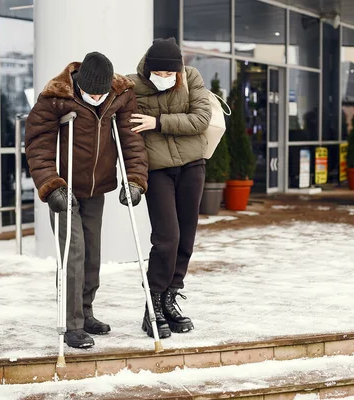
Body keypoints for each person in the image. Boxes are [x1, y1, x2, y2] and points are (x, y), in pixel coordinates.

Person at [25, 52, 148, 349]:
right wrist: (51, 186)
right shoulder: (56, 96)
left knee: (92, 253)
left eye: (100, 92)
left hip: (96, 189)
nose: (95, 97)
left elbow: (131, 140)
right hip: (64, 190)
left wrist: (134, 180)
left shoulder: (119, 95)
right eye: (90, 92)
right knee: (74, 252)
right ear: (80, 85)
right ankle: (72, 323)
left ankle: (87, 312)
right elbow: (38, 144)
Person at [128, 38, 211, 339]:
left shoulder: (191, 78)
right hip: (158, 170)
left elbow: (201, 119)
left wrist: (158, 122)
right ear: (148, 70)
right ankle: (152, 304)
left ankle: (169, 297)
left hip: (192, 166)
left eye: (169, 75)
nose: (164, 79)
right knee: (167, 238)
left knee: (186, 236)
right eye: (158, 74)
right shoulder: (131, 86)